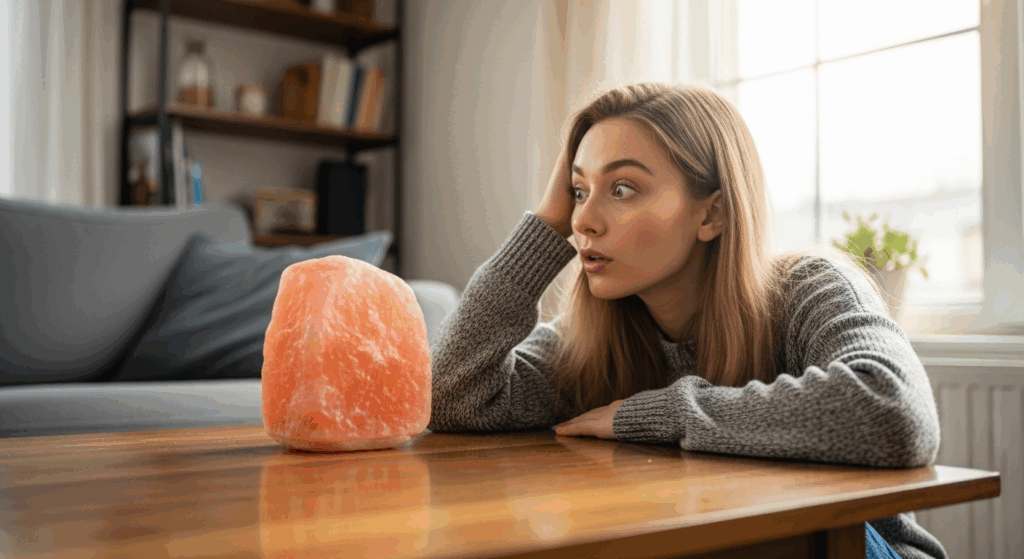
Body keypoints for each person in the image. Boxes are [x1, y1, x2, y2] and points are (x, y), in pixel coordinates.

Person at [426, 82, 945, 559]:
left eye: (622, 188)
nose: (582, 221)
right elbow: (451, 396)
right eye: (579, 192)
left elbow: (895, 413)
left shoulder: (808, 289)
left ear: (711, 214)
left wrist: (655, 416)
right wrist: (544, 223)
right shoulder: (594, 339)